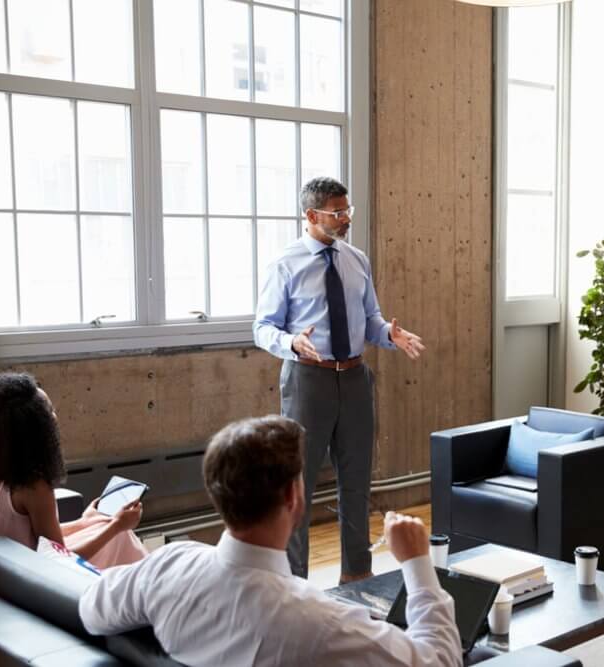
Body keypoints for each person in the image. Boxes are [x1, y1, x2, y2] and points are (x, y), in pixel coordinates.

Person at [79, 415, 462, 667]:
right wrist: (417, 563)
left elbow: (91, 610)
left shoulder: (168, 564)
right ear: (293, 497)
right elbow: (440, 660)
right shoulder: (320, 624)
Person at [253, 176, 426, 581]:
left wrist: (389, 334)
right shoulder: (285, 264)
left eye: (348, 210)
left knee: (357, 481)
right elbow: (262, 327)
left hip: (354, 379)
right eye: (337, 212)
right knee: (298, 487)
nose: (346, 218)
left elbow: (370, 318)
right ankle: (295, 583)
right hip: (307, 382)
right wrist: (292, 342)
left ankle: (357, 576)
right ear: (312, 215)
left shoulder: (356, 259)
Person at [0, 372, 146, 569]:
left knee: (101, 526)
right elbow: (59, 561)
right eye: (49, 411)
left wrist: (85, 522)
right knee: (120, 537)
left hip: (16, 569)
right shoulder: (34, 486)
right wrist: (117, 526)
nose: (55, 416)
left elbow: (37, 539)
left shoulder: (4, 474)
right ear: (35, 429)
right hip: (38, 574)